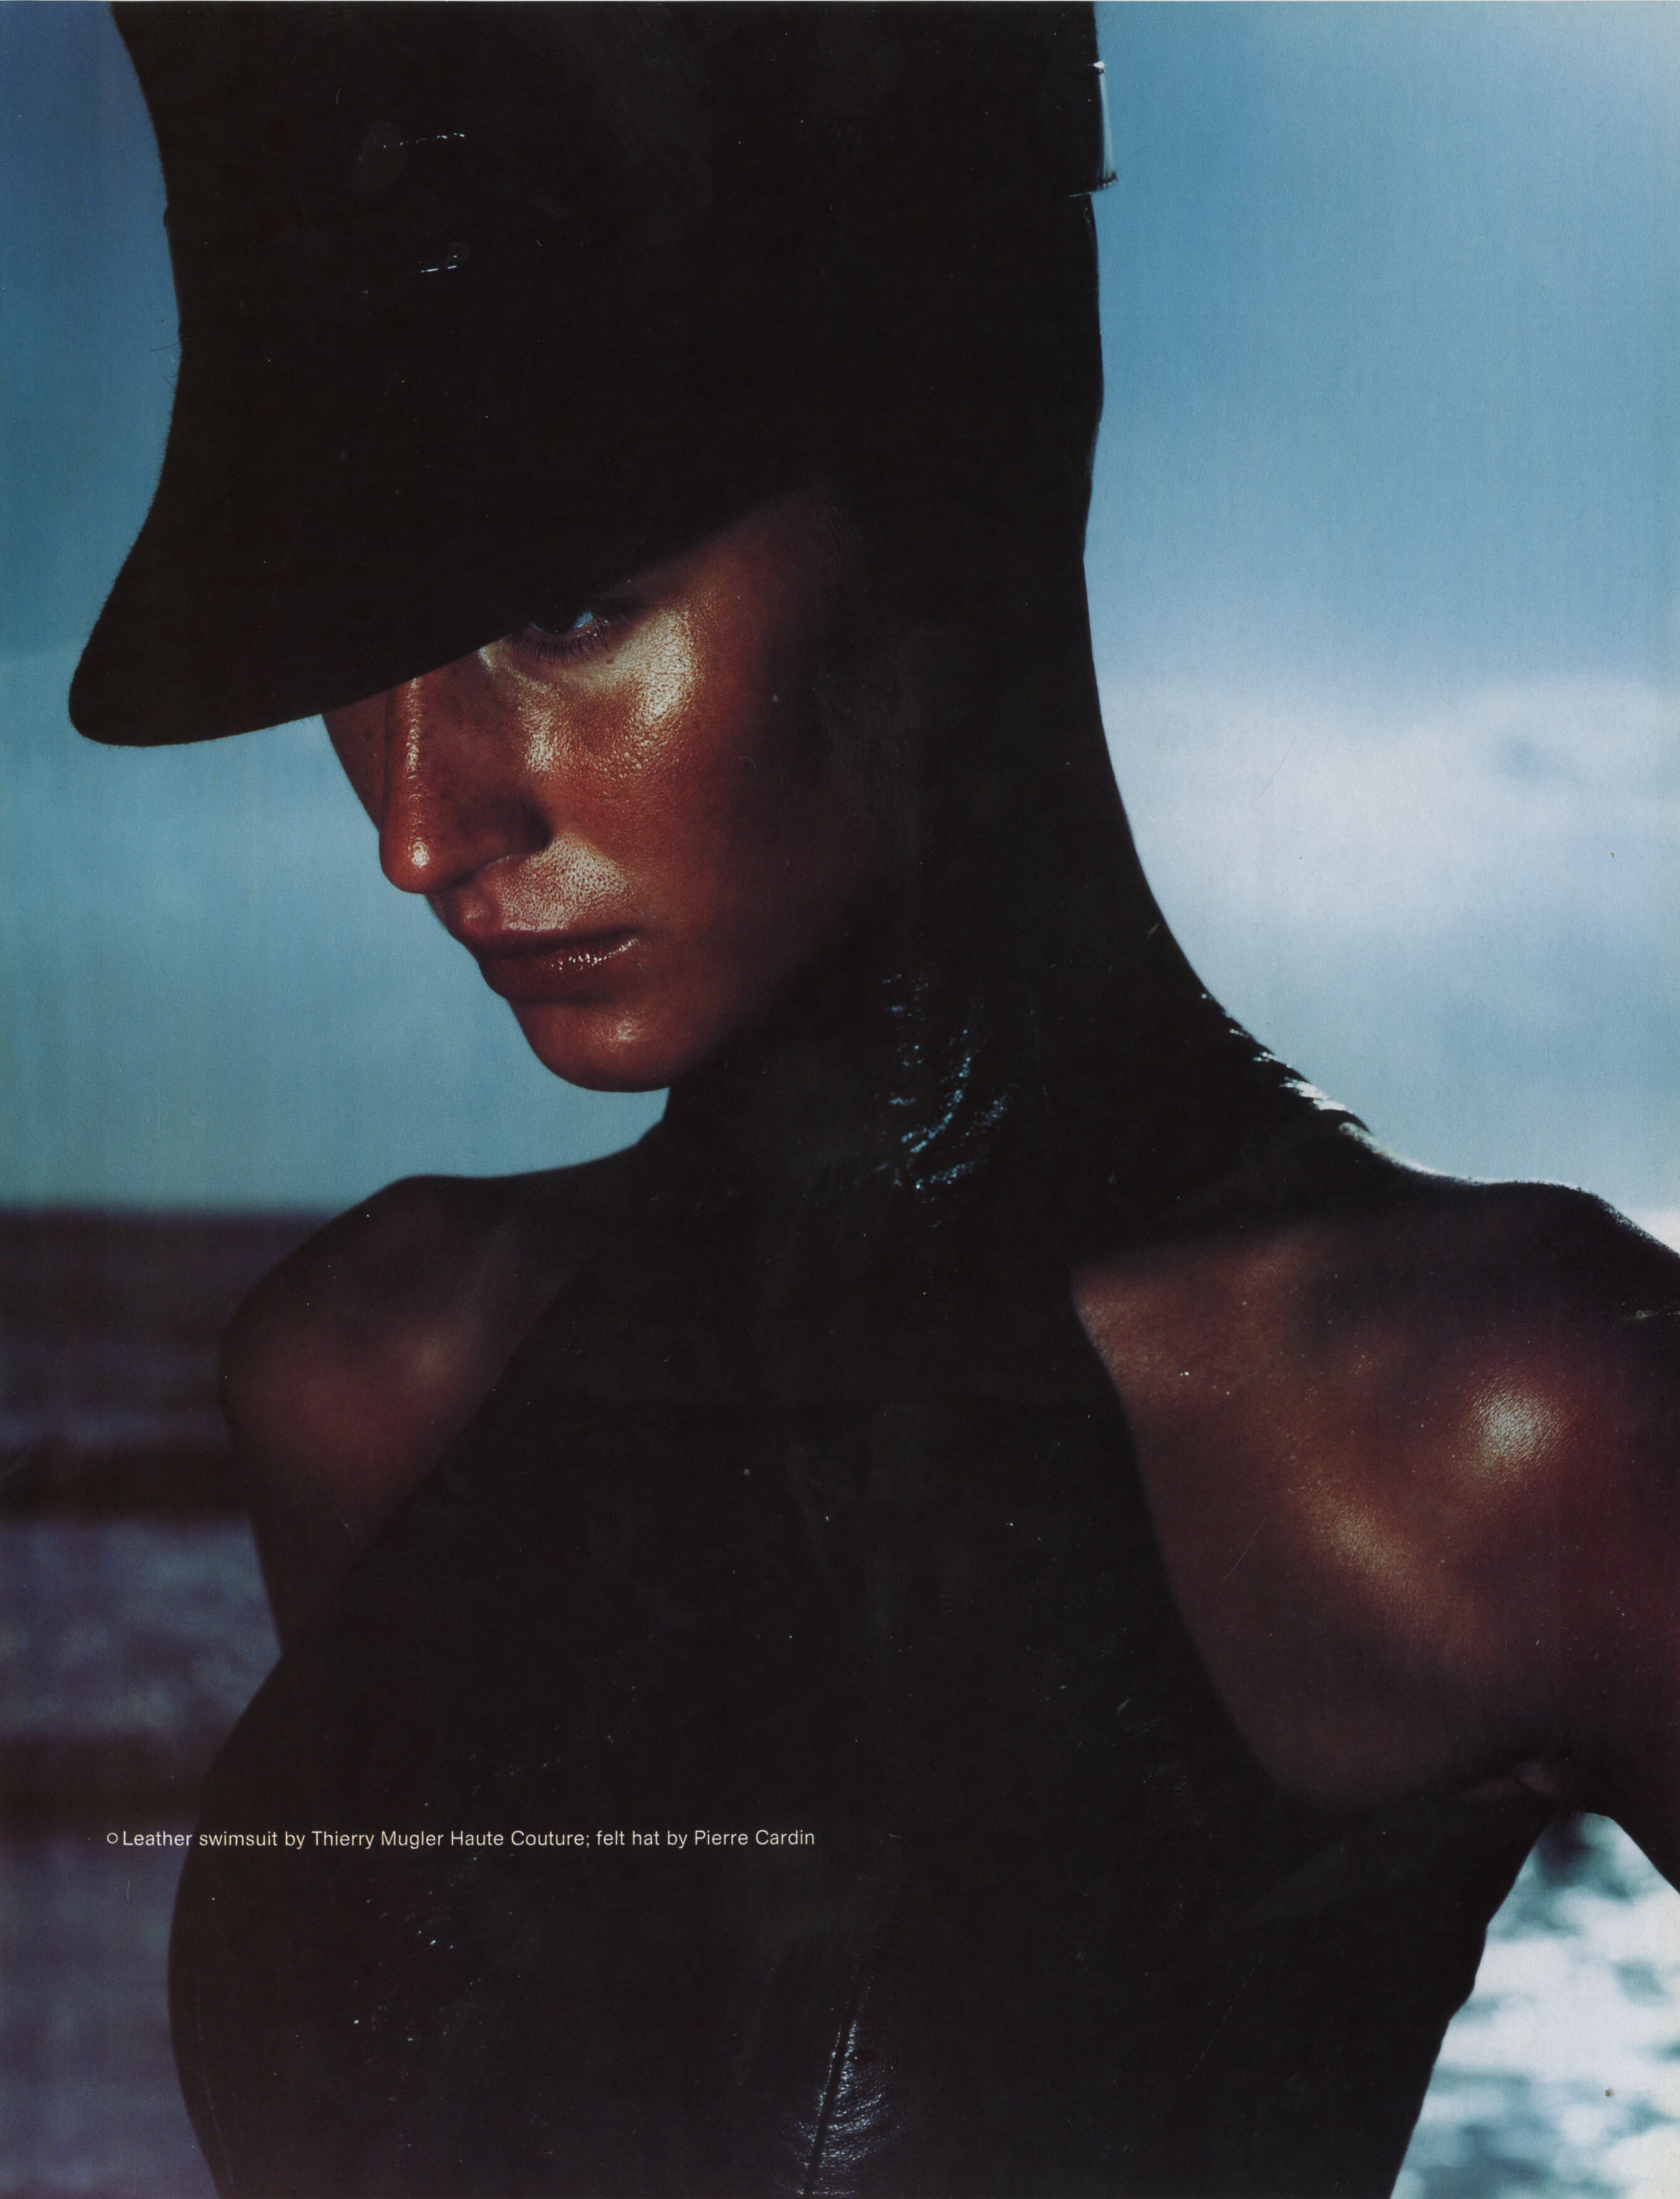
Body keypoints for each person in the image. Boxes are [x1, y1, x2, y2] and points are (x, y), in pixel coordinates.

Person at [70, 7, 1680, 2196]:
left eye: (558, 611)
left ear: (952, 506)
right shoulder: (379, 1373)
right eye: (357, 652)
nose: (422, 823)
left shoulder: (1493, 1417)